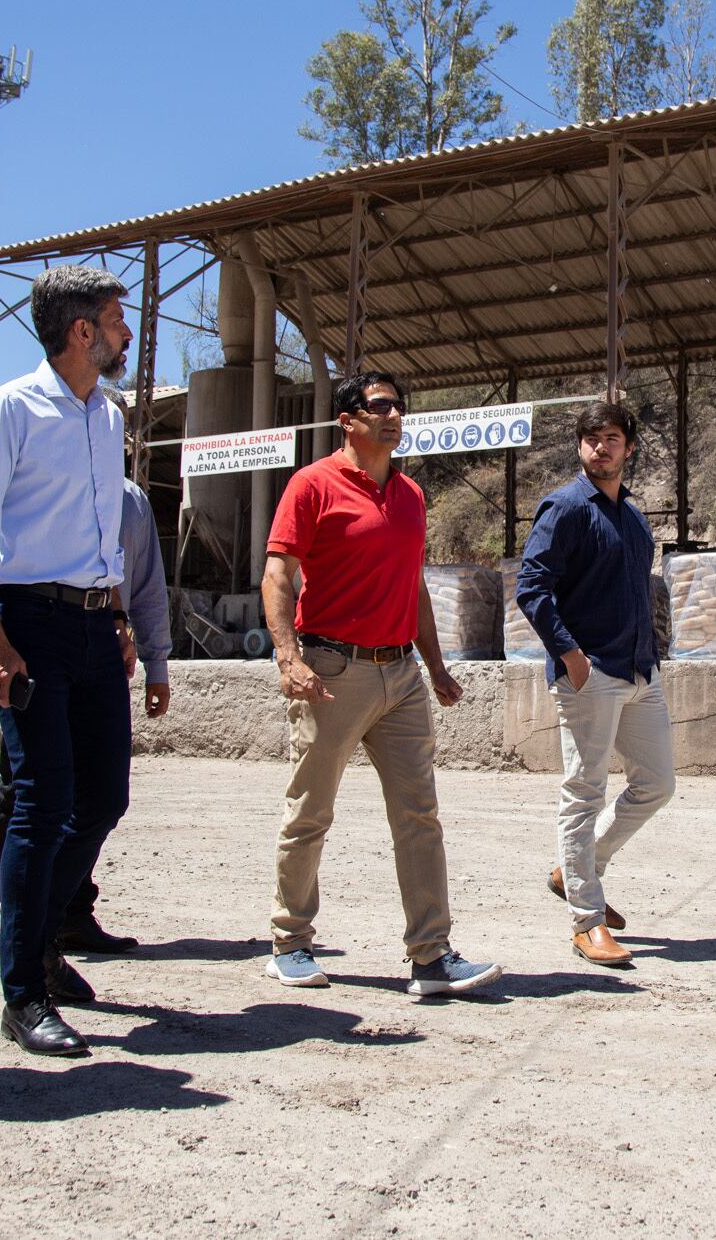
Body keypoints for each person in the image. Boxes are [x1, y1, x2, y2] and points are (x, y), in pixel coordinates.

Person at [260, 370, 501, 998]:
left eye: (399, 406)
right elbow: (278, 575)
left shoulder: (412, 496)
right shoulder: (312, 485)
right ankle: (290, 943)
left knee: (419, 815)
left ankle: (430, 955)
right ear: (349, 420)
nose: (394, 414)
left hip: (402, 675)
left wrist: (437, 665)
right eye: (380, 406)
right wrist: (289, 658)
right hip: (332, 673)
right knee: (310, 811)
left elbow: (412, 586)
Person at [0, 265, 141, 1058]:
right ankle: (23, 989)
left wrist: (121, 617)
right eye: (115, 319)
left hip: (98, 626)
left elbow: (103, 533)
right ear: (81, 332)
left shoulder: (107, 416)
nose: (125, 333)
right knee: (41, 801)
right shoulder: (8, 410)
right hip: (30, 620)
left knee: (102, 797)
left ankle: (45, 937)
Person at [0, 476, 171, 953]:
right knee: (26, 783)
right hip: (31, 645)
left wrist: (156, 660)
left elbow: (143, 582)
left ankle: (67, 912)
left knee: (93, 792)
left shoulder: (130, 500)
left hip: (98, 649)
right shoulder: (36, 481)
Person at [514, 401, 675, 967]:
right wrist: (569, 653)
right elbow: (531, 585)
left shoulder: (632, 516)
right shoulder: (565, 507)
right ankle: (587, 920)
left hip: (639, 671)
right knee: (584, 792)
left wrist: (653, 654)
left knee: (657, 784)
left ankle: (575, 869)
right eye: (591, 438)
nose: (601, 447)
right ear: (580, 447)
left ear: (628, 447)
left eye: (611, 437)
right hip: (591, 674)